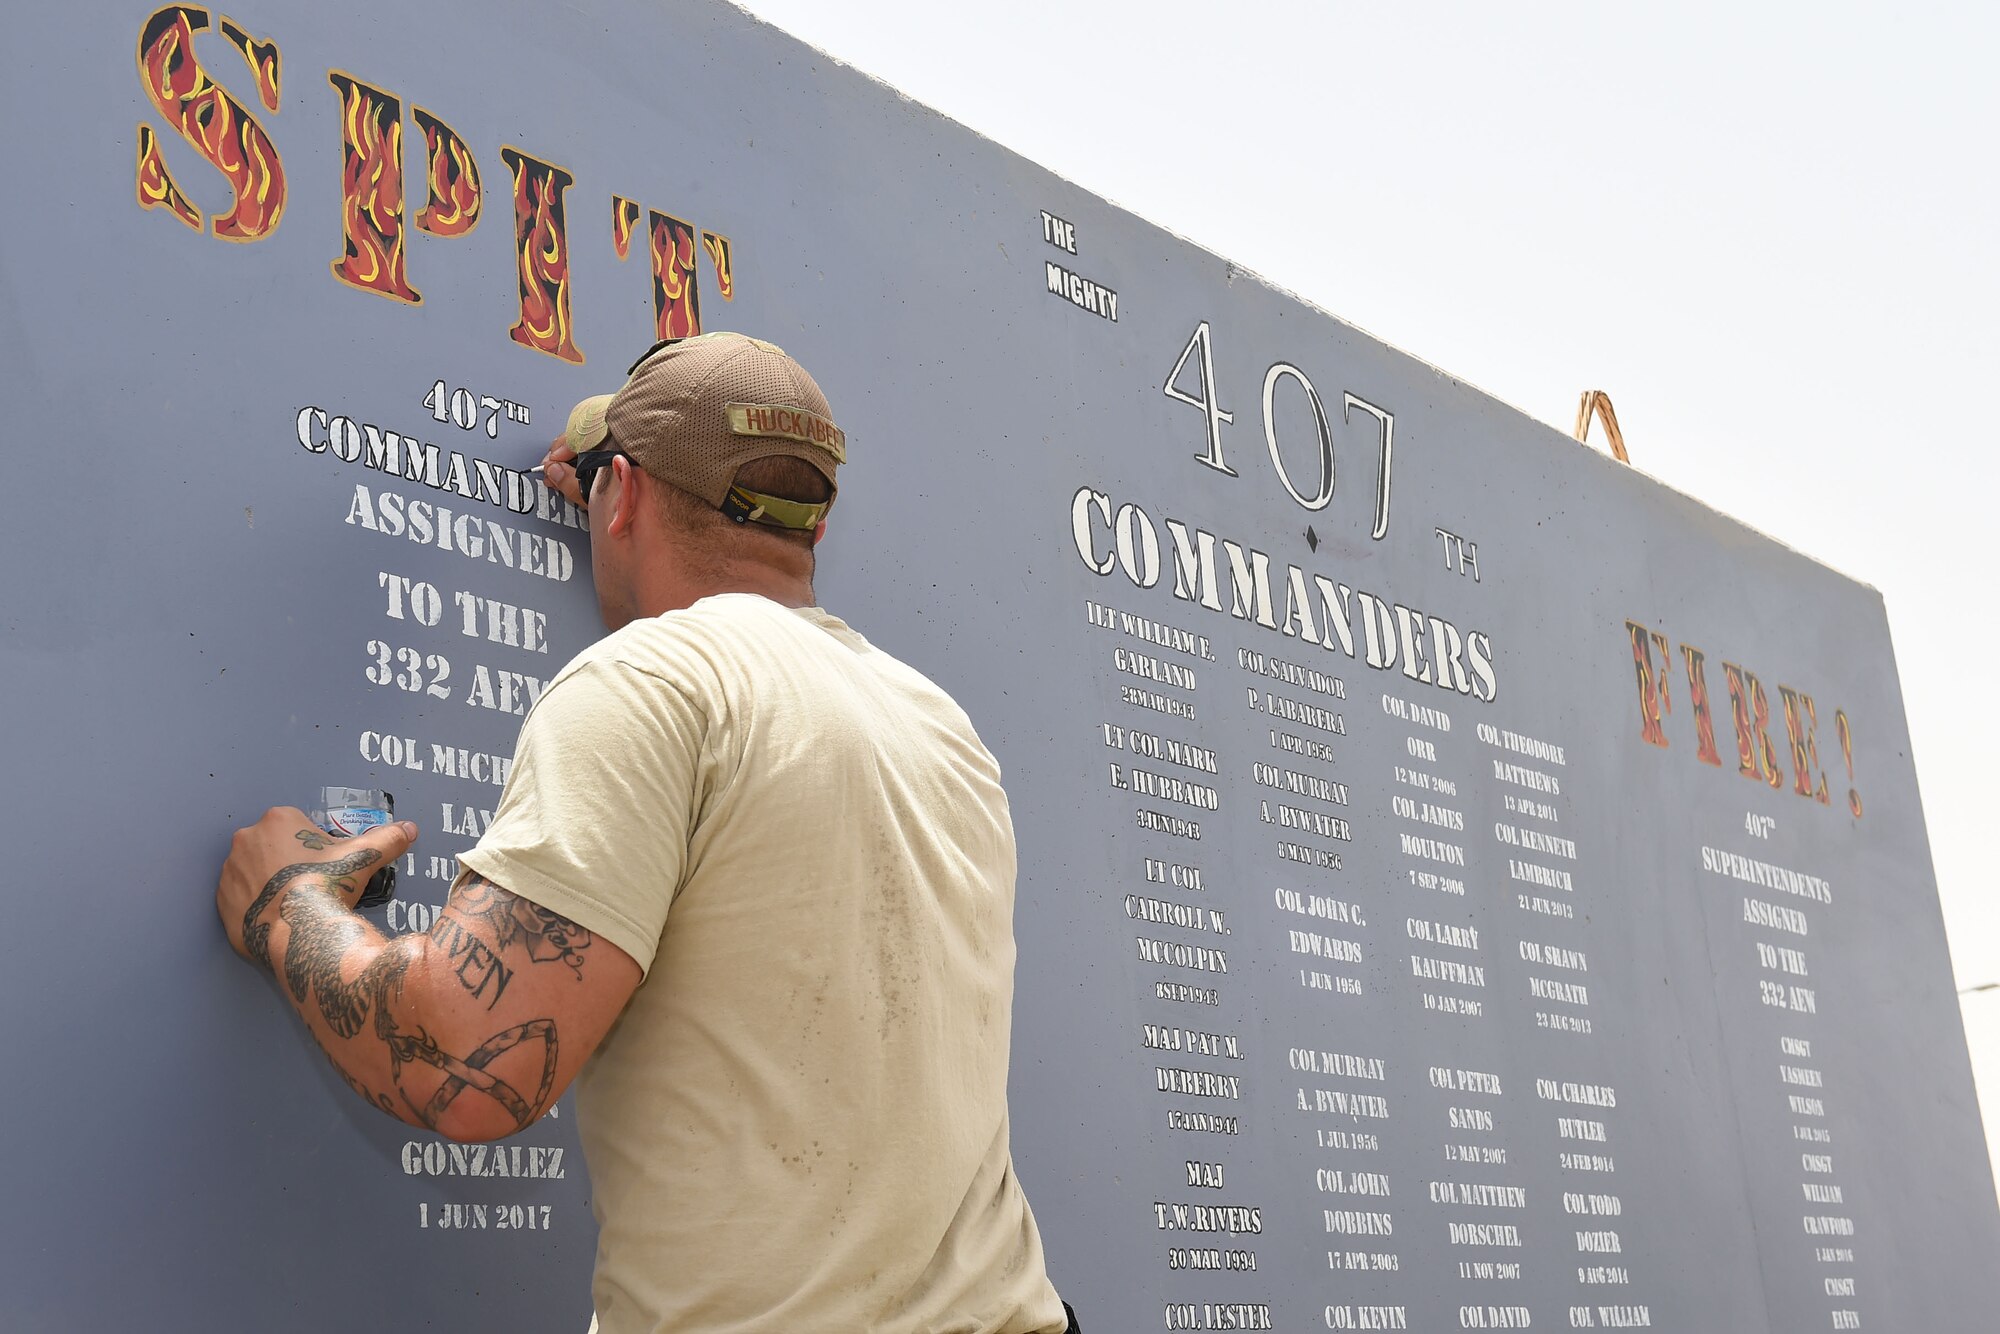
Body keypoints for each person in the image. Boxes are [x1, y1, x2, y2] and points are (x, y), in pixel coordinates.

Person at [215, 332, 1077, 1333]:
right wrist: (609, 467)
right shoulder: (938, 725)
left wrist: (291, 905)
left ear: (620, 495)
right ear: (815, 527)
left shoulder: (653, 681)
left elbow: (469, 1063)